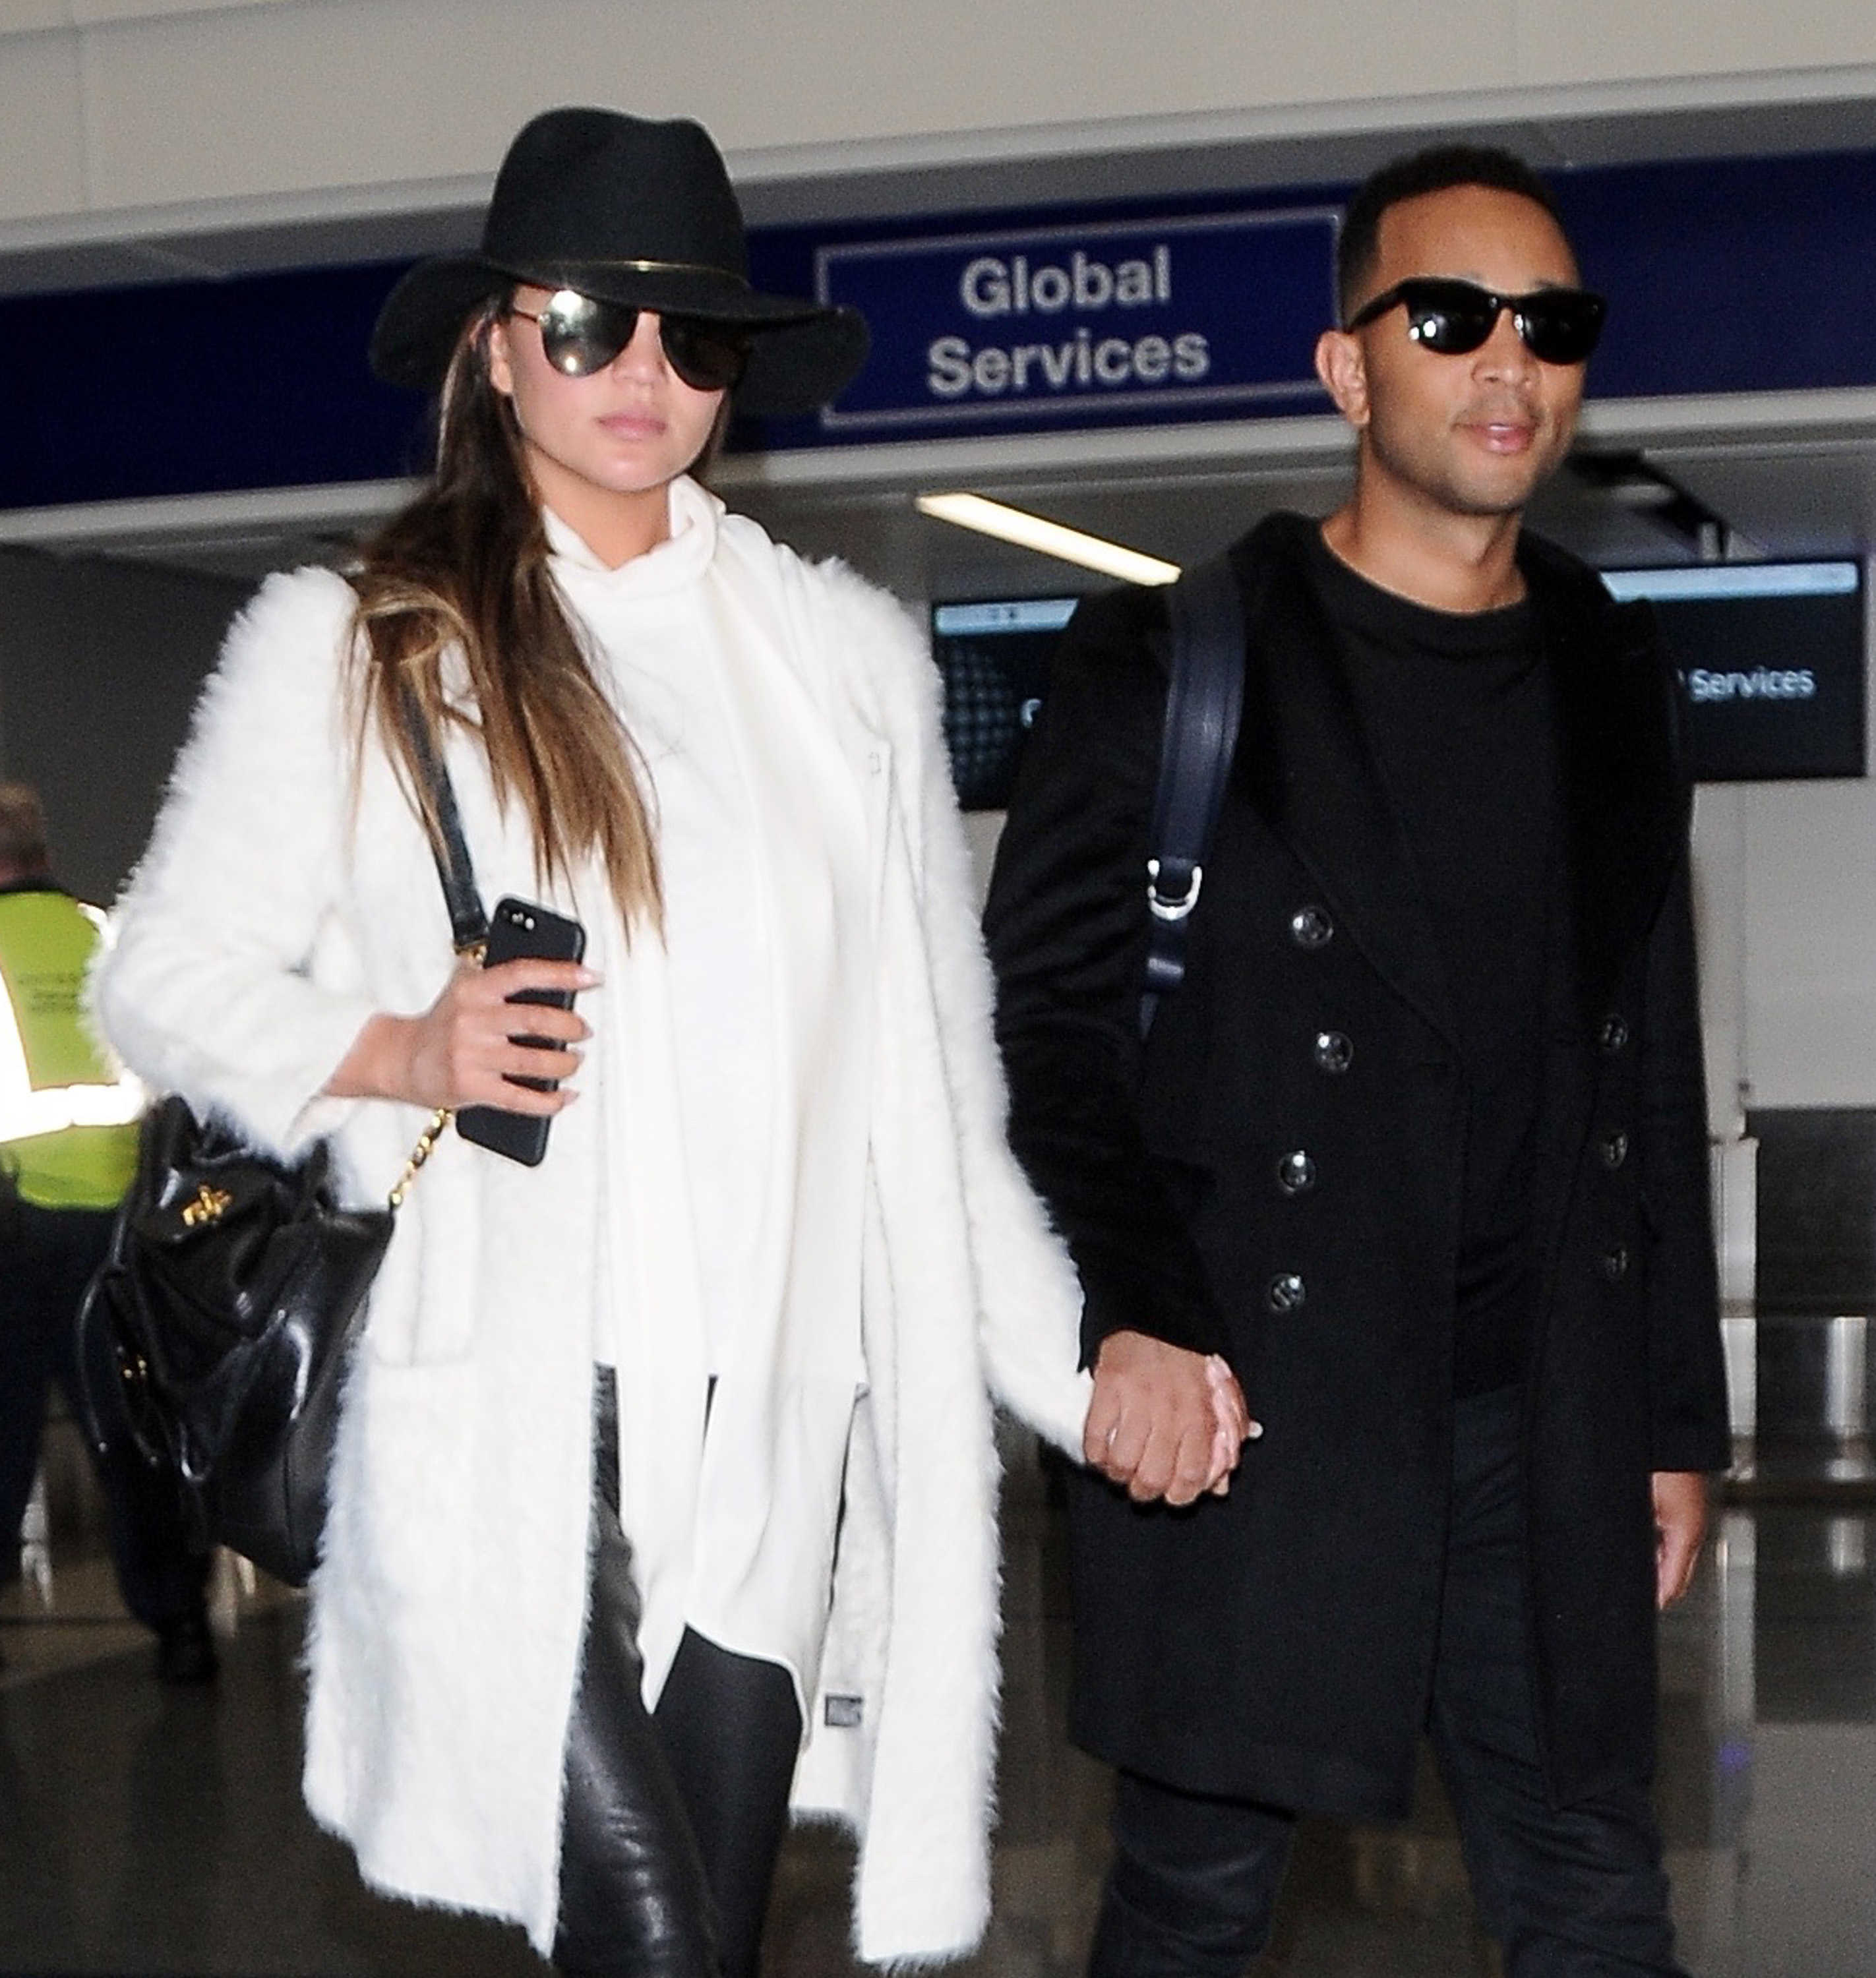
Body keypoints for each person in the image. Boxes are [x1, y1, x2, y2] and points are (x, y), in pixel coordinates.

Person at [92, 105, 1243, 1978]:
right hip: (513, 1418)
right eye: (585, 322)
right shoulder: (369, 645)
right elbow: (164, 977)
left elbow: (941, 1124)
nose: (639, 371)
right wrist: (402, 1045)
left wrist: (1087, 1367)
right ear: (494, 345)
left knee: (696, 1941)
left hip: (780, 1430)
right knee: (642, 1929)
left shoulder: (840, 668)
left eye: (687, 338)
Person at [984, 144, 1731, 1977]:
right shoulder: (1170, 661)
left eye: (1547, 326)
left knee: (1590, 1891)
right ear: (1347, 368)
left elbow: (1641, 1068)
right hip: (1254, 1410)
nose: (1504, 361)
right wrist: (1130, 1315)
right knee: (1191, 1897)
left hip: (1534, 1421)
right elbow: (1040, 1039)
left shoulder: (1605, 674)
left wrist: (1667, 1420)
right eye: (1448, 315)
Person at [0, 784, 216, 1683]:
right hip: (123, 1228)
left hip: (14, 1228)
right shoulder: (101, 935)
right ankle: (183, 1625)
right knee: (131, 1433)